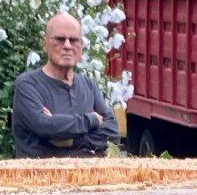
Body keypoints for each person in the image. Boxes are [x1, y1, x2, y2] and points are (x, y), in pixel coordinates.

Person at [11, 12, 118, 159]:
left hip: (86, 180)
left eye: (74, 40)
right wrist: (92, 120)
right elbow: (44, 126)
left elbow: (112, 134)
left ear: (81, 47)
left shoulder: (89, 86)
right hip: (39, 179)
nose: (67, 46)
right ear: (45, 44)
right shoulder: (28, 85)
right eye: (60, 39)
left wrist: (72, 140)